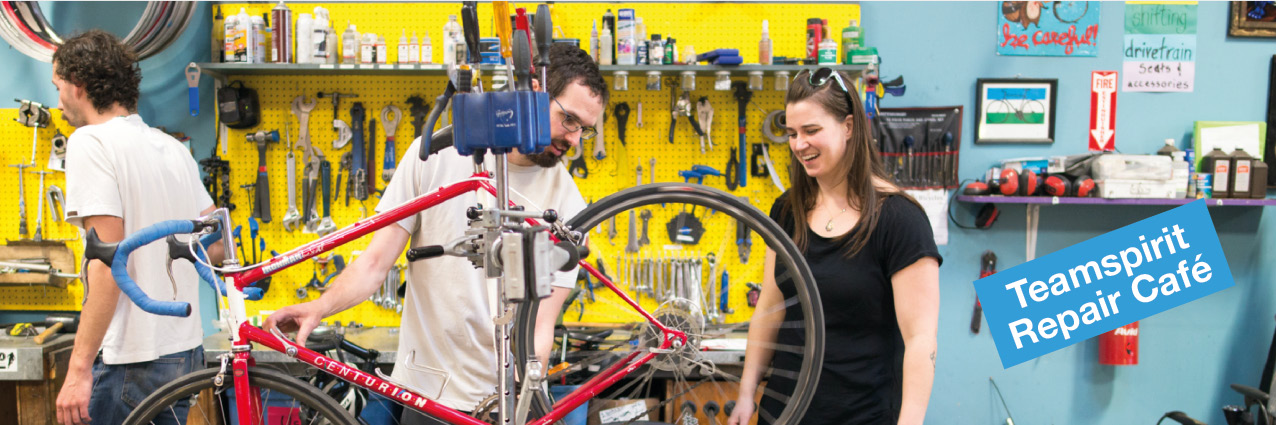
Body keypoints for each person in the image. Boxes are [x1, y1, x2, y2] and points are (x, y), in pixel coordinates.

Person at [265, 43, 608, 425]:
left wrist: (522, 403)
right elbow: (376, 263)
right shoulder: (436, 157)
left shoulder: (570, 208)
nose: (575, 140)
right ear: (534, 92)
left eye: (585, 130)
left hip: (505, 403)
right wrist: (319, 307)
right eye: (569, 120)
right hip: (429, 394)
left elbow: (541, 329)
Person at [728, 68, 941, 425]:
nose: (799, 144)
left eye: (812, 130)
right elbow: (770, 305)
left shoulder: (900, 220)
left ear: (849, 126)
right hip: (785, 412)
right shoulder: (787, 209)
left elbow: (921, 339)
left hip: (862, 414)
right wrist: (747, 394)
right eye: (792, 133)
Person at [53, 30, 222, 425]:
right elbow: (216, 245)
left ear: (78, 86)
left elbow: (108, 263)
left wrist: (78, 369)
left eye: (58, 86)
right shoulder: (172, 148)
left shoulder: (90, 142)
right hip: (184, 354)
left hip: (132, 356)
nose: (56, 100)